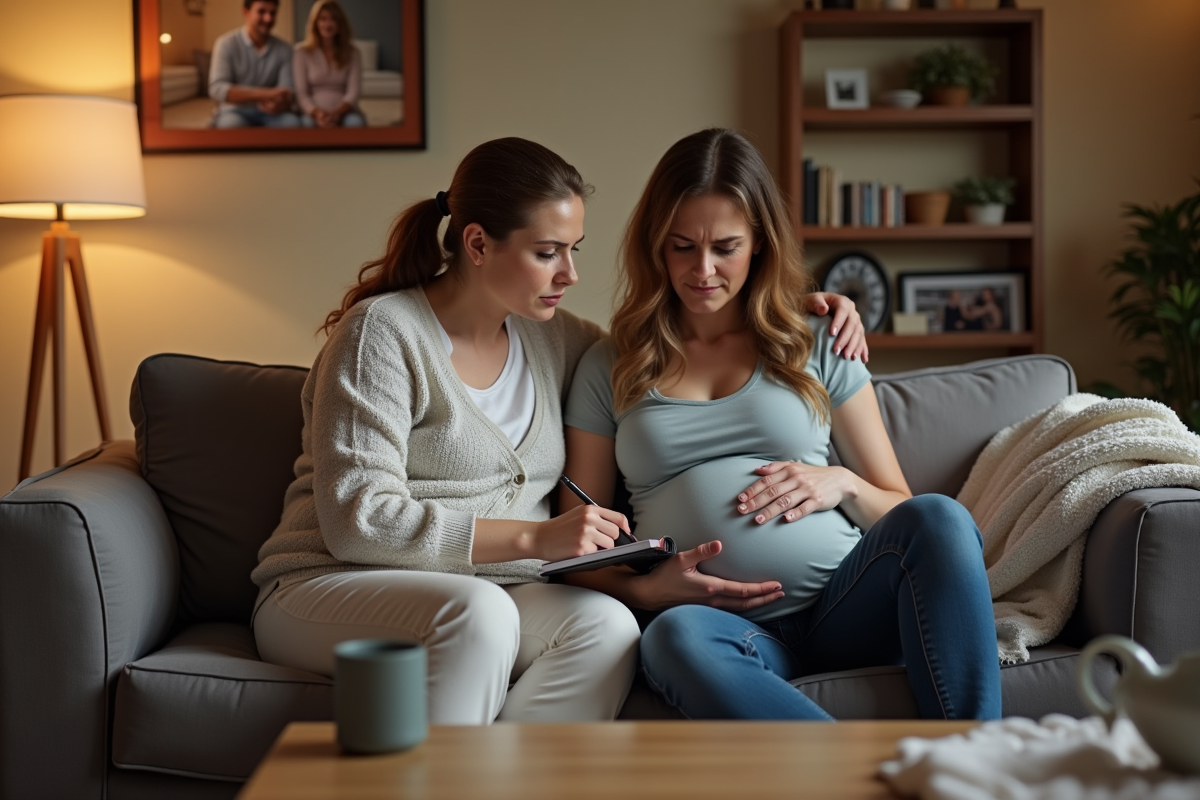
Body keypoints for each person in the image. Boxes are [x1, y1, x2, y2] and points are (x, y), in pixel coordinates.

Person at [249, 136, 867, 725]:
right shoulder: (382, 334)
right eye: (548, 252)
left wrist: (806, 305)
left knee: (609, 628)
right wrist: (534, 538)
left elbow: (667, 345)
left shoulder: (558, 339)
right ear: (477, 243)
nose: (569, 273)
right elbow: (357, 519)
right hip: (331, 585)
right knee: (480, 615)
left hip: (490, 590)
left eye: (575, 250)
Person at [561, 128, 1001, 722]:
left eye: (727, 247)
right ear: (654, 245)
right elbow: (576, 540)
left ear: (761, 244)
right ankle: (855, 782)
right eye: (682, 245)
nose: (703, 269)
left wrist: (841, 482)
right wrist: (644, 590)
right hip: (722, 628)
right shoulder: (610, 364)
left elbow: (900, 504)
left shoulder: (818, 338)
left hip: (847, 604)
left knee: (941, 517)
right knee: (672, 639)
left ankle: (978, 760)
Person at [209, 0, 300, 128]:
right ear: (246, 12)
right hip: (235, 111)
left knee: (292, 124)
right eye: (261, 11)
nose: (268, 18)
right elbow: (217, 89)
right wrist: (266, 94)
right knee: (230, 127)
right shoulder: (226, 44)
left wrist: (281, 104)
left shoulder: (285, 49)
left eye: (272, 13)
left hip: (272, 114)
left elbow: (287, 90)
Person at [293, 0, 366, 128]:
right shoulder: (301, 52)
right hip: (312, 113)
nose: (328, 24)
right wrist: (317, 113)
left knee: (356, 123)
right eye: (323, 19)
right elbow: (301, 93)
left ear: (340, 23)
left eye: (333, 19)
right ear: (315, 23)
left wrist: (337, 113)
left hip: (345, 112)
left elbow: (354, 92)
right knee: (306, 125)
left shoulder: (353, 53)